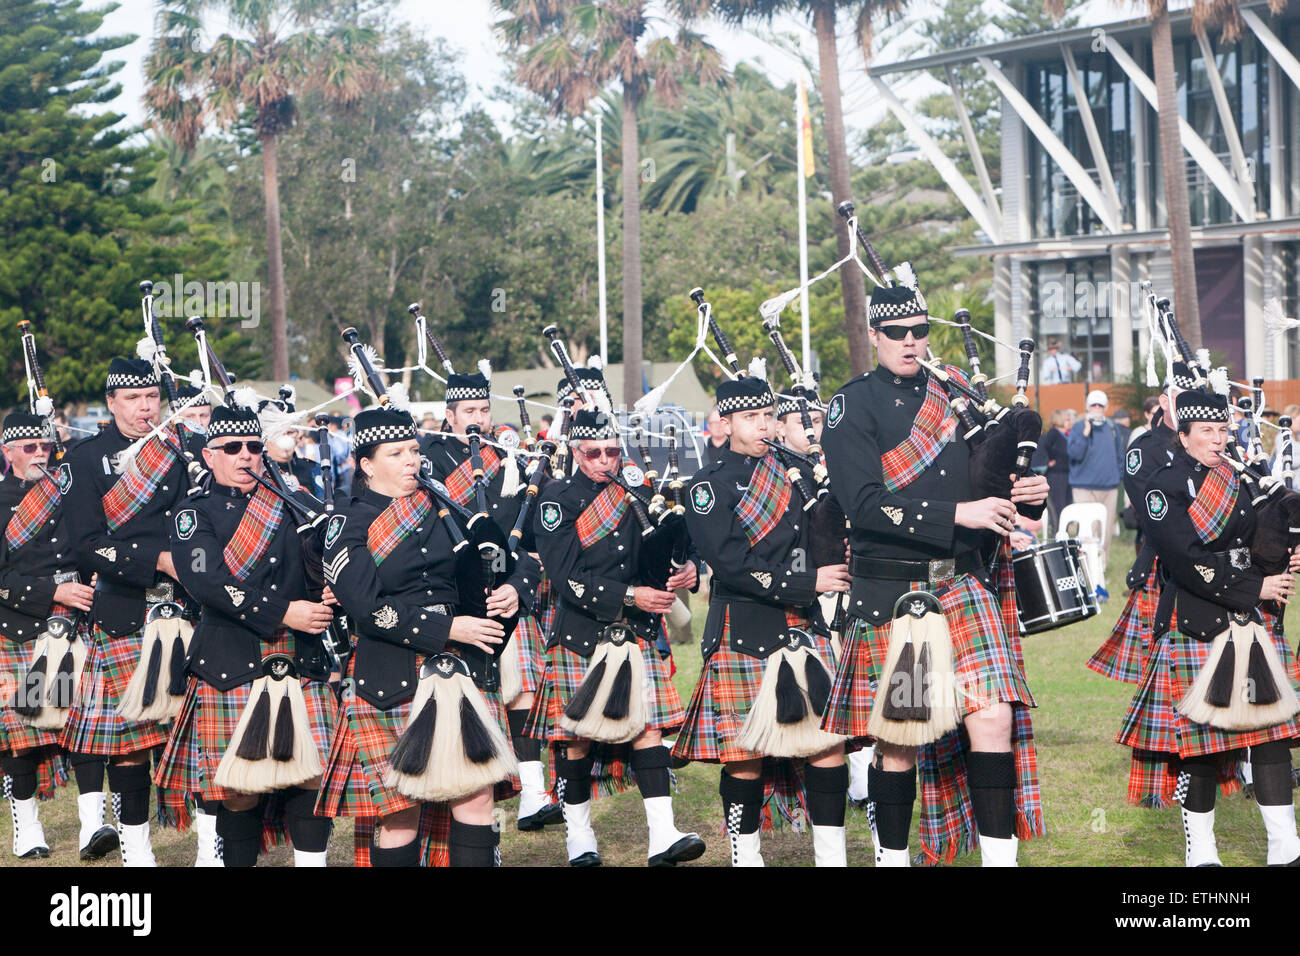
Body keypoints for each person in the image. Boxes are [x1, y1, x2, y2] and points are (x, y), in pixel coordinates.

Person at [819, 279, 1050, 866]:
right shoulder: (853, 405)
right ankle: (891, 860)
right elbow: (863, 503)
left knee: (993, 716)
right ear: (874, 335)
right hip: (893, 589)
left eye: (919, 331)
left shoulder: (956, 394)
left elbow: (989, 473)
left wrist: (1029, 494)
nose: (910, 341)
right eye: (896, 332)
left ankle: (1002, 860)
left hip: (964, 581)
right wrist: (958, 513)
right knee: (899, 735)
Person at [315, 406, 517, 867]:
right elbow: (366, 609)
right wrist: (447, 627)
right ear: (366, 464)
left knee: (475, 798)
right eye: (397, 453)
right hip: (388, 676)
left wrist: (509, 586)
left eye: (413, 450)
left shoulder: (442, 504)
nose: (412, 461)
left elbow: (502, 555)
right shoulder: (347, 525)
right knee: (399, 812)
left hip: (459, 671)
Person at [1117, 386, 1300, 866]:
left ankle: (1286, 850)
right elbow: (1184, 558)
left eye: (1224, 429)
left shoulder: (1243, 476)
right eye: (1208, 431)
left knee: (1270, 733)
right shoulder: (1165, 485)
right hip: (1198, 616)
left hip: (1250, 618)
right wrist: (1252, 589)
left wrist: (1284, 551)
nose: (1219, 440)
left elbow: (1259, 538)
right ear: (1184, 434)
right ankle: (1202, 852)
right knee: (1200, 746)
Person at [674, 375, 852, 867]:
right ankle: (745, 856)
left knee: (827, 747)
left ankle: (832, 857)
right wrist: (808, 582)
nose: (763, 426)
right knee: (744, 756)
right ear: (725, 422)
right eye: (750, 417)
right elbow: (730, 565)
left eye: (768, 416)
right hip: (744, 630)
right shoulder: (706, 487)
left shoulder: (797, 472)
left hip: (804, 626)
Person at [153, 404, 337, 867]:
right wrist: (284, 613)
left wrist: (334, 584)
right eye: (232, 448)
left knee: (310, 775)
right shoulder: (193, 515)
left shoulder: (294, 501)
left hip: (301, 657)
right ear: (210, 455)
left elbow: (331, 551)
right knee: (238, 789)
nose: (245, 456)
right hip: (230, 660)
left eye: (254, 447)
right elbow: (207, 583)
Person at [529, 409, 703, 866]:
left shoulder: (636, 492)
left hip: (635, 634)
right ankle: (579, 838)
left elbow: (664, 549)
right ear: (575, 452)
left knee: (647, 731)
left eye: (612, 451)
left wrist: (687, 568)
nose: (605, 460)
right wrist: (630, 595)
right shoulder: (557, 501)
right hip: (583, 634)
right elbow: (566, 577)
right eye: (594, 453)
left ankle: (663, 836)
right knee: (576, 741)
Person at [59, 358, 196, 866]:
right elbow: (88, 544)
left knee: (192, 735)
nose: (145, 407)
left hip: (185, 608)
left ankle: (210, 850)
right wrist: (156, 561)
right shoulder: (84, 459)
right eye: (134, 399)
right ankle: (137, 853)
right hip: (124, 611)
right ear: (112, 403)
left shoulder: (181, 451)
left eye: (151, 397)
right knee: (132, 746)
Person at [418, 366, 554, 832]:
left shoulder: (505, 457)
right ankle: (478, 798)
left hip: (505, 590)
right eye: (468, 411)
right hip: (458, 595)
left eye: (482, 409)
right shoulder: (428, 457)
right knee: (476, 699)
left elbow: (527, 531)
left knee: (522, 692)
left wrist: (518, 584)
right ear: (449, 415)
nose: (477, 418)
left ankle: (534, 792)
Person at [0, 413, 103, 860]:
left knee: (83, 725)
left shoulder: (68, 492)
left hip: (73, 620)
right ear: (7, 453)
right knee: (22, 735)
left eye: (46, 446)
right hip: (20, 624)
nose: (40, 454)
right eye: (29, 448)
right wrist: (51, 590)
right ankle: (27, 828)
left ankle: (94, 826)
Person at [1067, 389, 1124, 600]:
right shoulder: (1079, 427)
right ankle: (1087, 572)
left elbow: (1120, 455)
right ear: (1087, 407)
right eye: (1094, 406)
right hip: (1083, 486)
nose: (1097, 410)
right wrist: (1085, 432)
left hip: (1109, 487)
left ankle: (1101, 571)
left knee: (1105, 531)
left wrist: (1118, 476)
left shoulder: (1112, 427)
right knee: (1088, 532)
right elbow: (1073, 454)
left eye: (1100, 406)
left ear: (1106, 408)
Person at [1032, 410, 1072, 533]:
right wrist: (1050, 459)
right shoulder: (1054, 433)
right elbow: (1045, 446)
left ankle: (1064, 528)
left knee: (1066, 502)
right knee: (1058, 504)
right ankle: (1057, 530)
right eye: (1067, 419)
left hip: (1066, 472)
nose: (1069, 422)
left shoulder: (1065, 434)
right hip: (1056, 473)